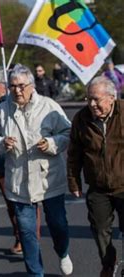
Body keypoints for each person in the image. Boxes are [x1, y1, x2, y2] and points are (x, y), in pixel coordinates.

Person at [0, 64, 73, 276]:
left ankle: (63, 251)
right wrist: (1, 143)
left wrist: (51, 143)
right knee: (26, 231)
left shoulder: (48, 106)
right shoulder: (1, 111)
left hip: (48, 176)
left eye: (21, 86)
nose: (17, 90)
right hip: (19, 180)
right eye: (13, 86)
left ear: (32, 86)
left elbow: (68, 133)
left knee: (57, 223)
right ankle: (35, 273)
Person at [0, 67, 41, 255]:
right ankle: (19, 236)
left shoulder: (15, 101)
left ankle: (32, 238)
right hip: (0, 162)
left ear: (4, 83)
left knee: (29, 200)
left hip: (22, 160)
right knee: (11, 202)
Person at [67, 76, 124, 277]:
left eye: (96, 99)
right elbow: (74, 153)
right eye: (89, 99)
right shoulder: (81, 118)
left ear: (111, 98)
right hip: (98, 187)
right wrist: (73, 181)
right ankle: (108, 263)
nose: (92, 104)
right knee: (99, 229)